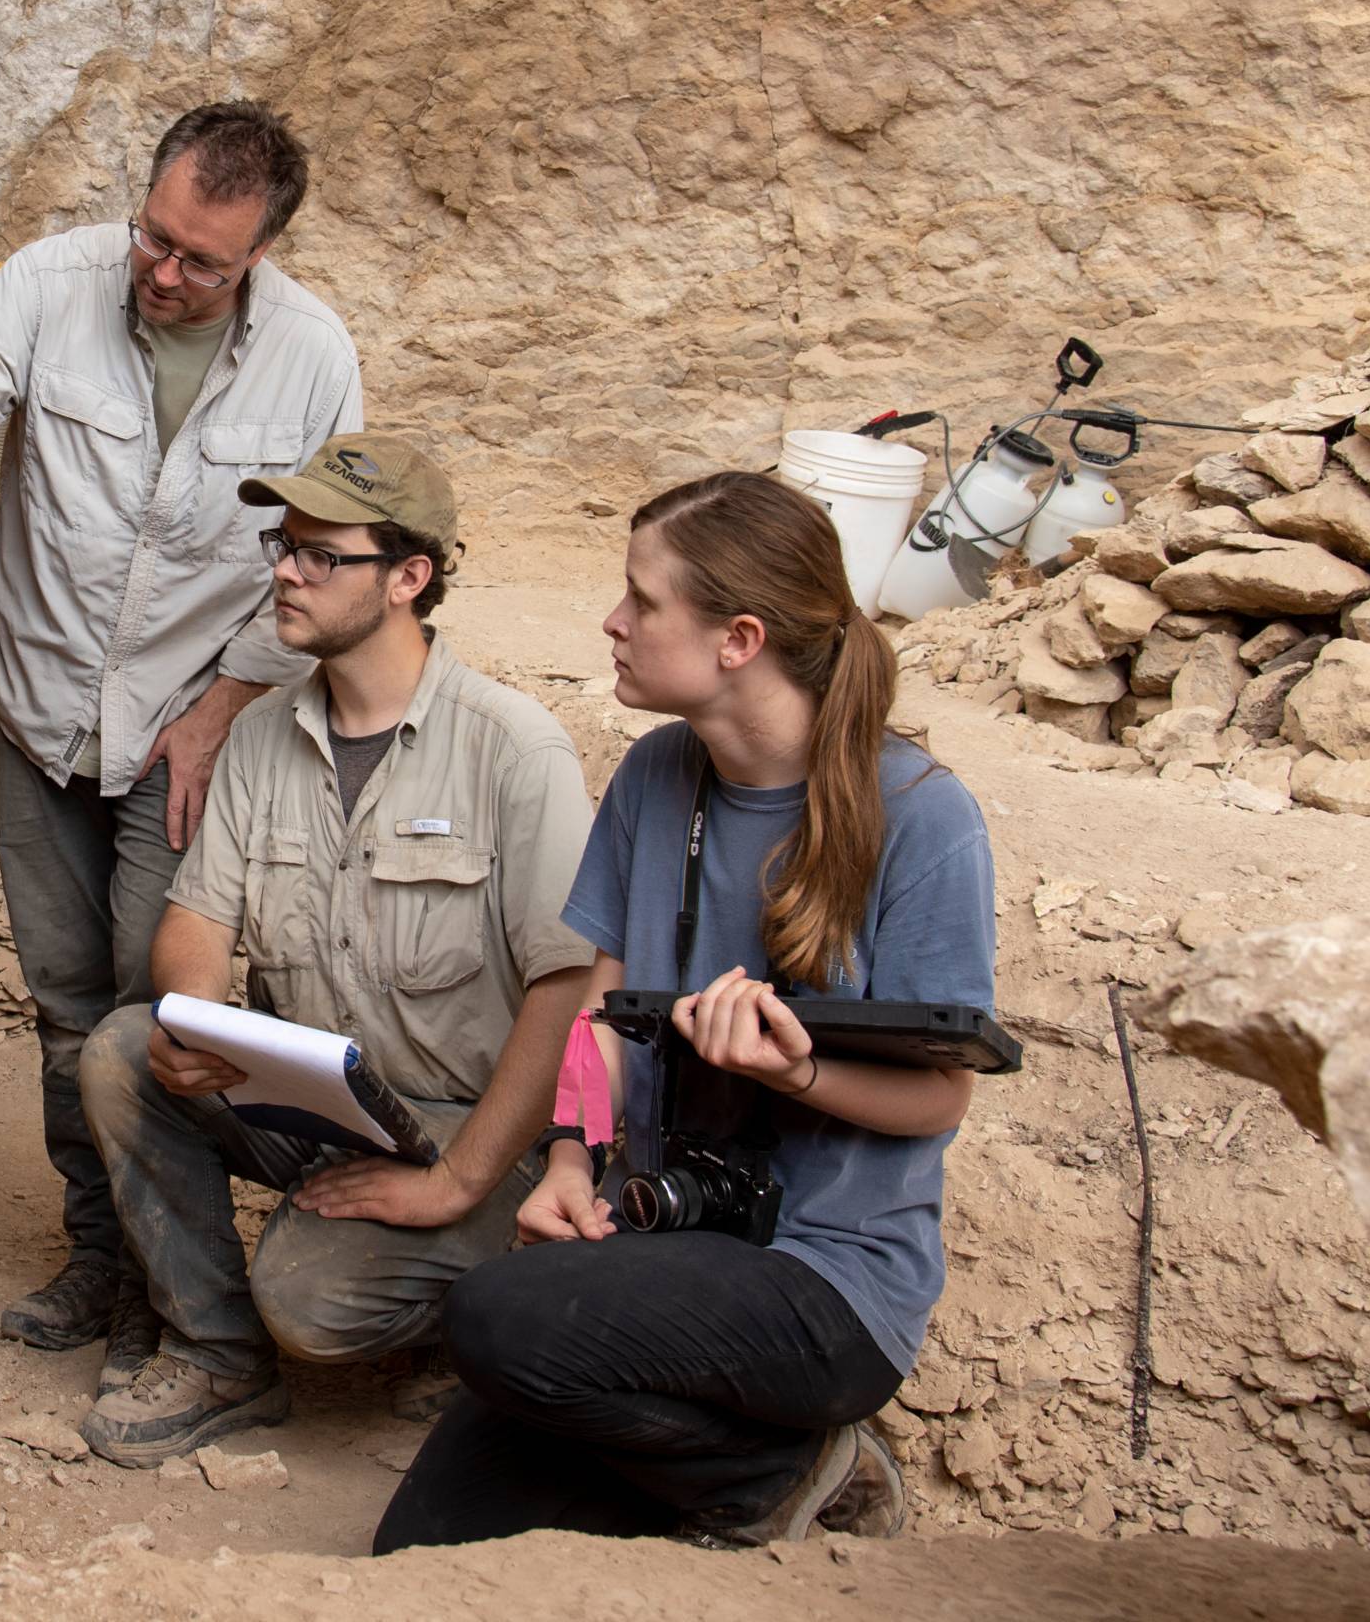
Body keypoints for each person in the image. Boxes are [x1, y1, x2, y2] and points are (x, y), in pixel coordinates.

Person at [0, 103, 363, 1369]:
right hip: (42, 708)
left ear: (259, 256)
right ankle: (97, 1260)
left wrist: (226, 703)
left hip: (191, 730)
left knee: (161, 1009)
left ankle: (178, 1296)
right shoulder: (48, 286)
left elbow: (320, 543)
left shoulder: (314, 355)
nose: (162, 274)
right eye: (151, 238)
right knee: (65, 1006)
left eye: (200, 262)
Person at [374, 469, 998, 1552]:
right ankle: (681, 1475)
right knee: (421, 1552)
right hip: (657, 1237)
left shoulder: (921, 817)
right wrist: (569, 1161)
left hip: (822, 1280)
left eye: (640, 600)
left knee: (493, 1317)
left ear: (736, 638)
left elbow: (939, 1095)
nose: (611, 623)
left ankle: (784, 1465)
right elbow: (603, 1017)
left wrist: (790, 1072)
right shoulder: (657, 772)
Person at [72, 433, 598, 1465]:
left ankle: (467, 1317)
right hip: (318, 1099)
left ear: (407, 578)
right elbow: (198, 919)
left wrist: (454, 1182)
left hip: (473, 1128)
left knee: (310, 1307)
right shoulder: (265, 734)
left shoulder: (512, 747)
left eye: (321, 554)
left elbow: (568, 991)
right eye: (283, 543)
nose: (282, 569)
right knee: (125, 1049)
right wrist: (198, 1020)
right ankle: (215, 1350)